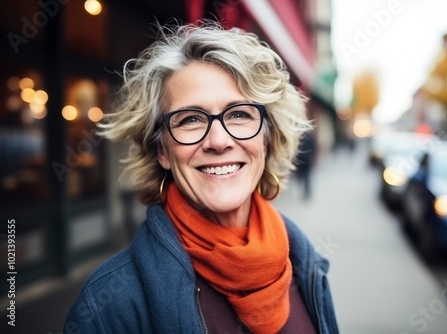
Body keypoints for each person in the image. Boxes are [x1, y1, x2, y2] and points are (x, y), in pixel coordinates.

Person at [64, 20, 340, 334]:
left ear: (267, 137)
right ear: (163, 152)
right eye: (191, 119)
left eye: (239, 114)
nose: (219, 141)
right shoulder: (109, 305)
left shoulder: (307, 265)